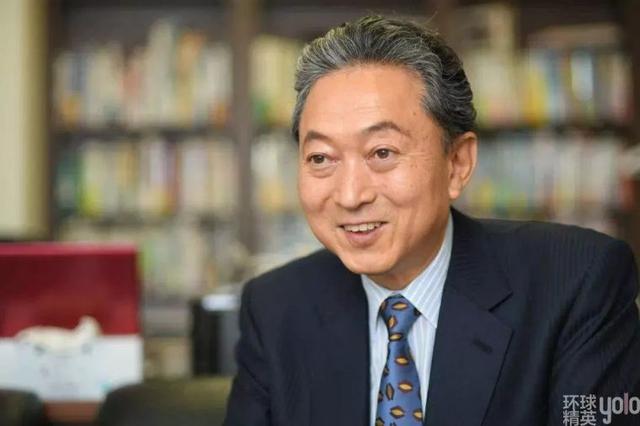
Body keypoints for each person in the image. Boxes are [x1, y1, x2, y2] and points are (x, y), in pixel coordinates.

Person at [223, 15, 640, 426]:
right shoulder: (276, 308)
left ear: (457, 163)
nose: (350, 196)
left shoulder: (576, 282)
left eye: (382, 153)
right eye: (320, 158)